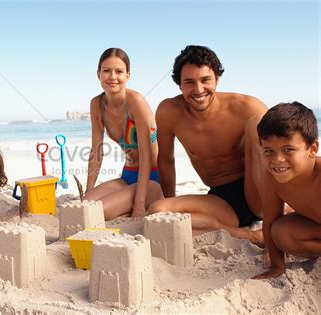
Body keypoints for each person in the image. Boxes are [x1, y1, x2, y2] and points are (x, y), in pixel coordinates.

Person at [149, 45, 268, 243]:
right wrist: (171, 203)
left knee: (257, 123)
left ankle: (275, 219)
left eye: (205, 80)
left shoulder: (246, 107)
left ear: (216, 79)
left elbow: (285, 150)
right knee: (158, 212)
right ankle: (251, 235)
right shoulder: (169, 112)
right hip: (224, 201)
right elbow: (166, 160)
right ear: (179, 85)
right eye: (189, 82)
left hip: (259, 191)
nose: (198, 90)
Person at [83, 48, 163, 220]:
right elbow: (96, 151)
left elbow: (146, 155)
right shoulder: (96, 104)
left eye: (119, 71)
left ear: (128, 75)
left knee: (100, 212)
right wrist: (89, 191)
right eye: (106, 71)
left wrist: (139, 204)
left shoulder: (136, 102)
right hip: (127, 176)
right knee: (86, 206)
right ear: (98, 74)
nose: (112, 77)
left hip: (153, 178)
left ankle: (144, 202)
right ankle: (123, 206)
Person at [252, 102, 321, 279]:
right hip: (314, 227)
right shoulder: (274, 178)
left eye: (288, 149)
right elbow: (269, 222)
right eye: (269, 151)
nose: (277, 160)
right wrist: (276, 266)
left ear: (312, 149)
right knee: (280, 232)